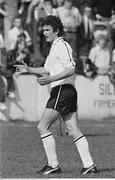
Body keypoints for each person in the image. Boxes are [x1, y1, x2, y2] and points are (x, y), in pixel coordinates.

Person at [15, 15, 97, 175]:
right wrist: (29, 70)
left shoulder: (62, 45)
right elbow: (47, 69)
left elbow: (71, 68)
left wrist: (51, 79)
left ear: (56, 31)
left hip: (62, 89)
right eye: (43, 30)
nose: (44, 32)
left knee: (42, 126)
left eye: (47, 30)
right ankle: (89, 166)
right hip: (65, 90)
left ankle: (53, 165)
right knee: (73, 129)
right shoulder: (54, 47)